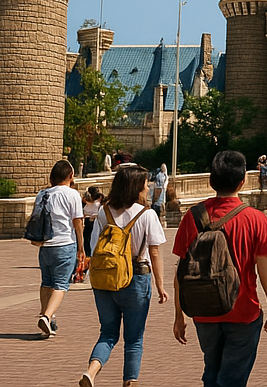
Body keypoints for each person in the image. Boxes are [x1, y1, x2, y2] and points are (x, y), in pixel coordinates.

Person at [172, 150, 267, 387]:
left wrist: (179, 314)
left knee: (212, 369)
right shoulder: (256, 219)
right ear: (243, 181)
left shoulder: (193, 216)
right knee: (232, 378)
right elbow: (266, 273)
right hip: (243, 311)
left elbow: (180, 273)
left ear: (211, 181)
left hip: (202, 309)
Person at [79, 164, 168, 387]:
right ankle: (130, 382)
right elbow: (154, 253)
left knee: (108, 333)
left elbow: (94, 247)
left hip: (104, 280)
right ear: (136, 187)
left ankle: (91, 371)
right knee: (134, 339)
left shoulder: (104, 212)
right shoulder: (147, 215)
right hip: (136, 279)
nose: (148, 188)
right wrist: (160, 286)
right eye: (145, 184)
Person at [32, 159, 85, 338]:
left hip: (45, 245)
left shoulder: (42, 194)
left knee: (46, 282)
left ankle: (47, 317)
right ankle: (47, 316)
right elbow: (77, 222)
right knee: (61, 285)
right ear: (70, 176)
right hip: (65, 244)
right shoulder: (72, 195)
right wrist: (81, 246)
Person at [83, 187, 104, 258]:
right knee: (87, 240)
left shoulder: (97, 204)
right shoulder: (87, 203)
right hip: (87, 222)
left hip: (94, 222)